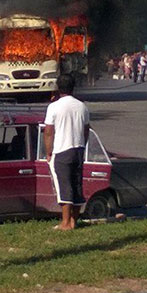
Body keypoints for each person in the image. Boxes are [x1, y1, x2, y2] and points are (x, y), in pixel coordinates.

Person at [43, 74, 91, 230]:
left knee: (64, 186)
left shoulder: (54, 107)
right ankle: (73, 221)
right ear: (73, 87)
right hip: (78, 149)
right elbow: (86, 130)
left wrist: (49, 151)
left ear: (58, 88)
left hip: (62, 150)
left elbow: (49, 132)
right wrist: (82, 145)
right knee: (77, 185)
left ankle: (65, 223)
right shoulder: (82, 106)